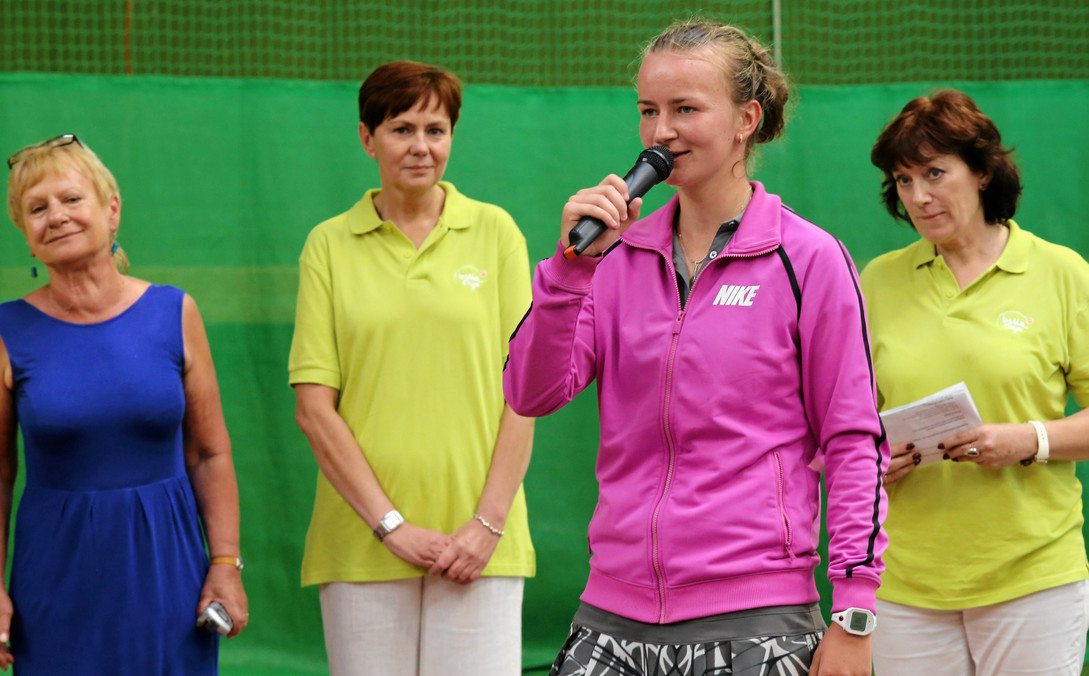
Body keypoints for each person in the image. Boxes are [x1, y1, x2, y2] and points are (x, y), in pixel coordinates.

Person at [504, 20, 888, 676]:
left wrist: (855, 611)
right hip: (611, 615)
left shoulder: (809, 259)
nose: (660, 133)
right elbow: (531, 392)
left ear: (746, 118)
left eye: (685, 109)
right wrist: (570, 271)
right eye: (648, 111)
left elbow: (853, 441)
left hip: (757, 619)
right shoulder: (613, 256)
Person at [860, 89, 1089, 676]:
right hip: (902, 579)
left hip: (1034, 576)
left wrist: (1029, 440)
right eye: (904, 180)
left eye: (935, 172)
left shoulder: (1065, 276)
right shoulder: (875, 283)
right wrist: (873, 459)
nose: (920, 196)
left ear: (983, 172)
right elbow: (849, 420)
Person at [288, 60, 536, 676]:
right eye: (402, 129)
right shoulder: (327, 244)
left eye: (436, 129)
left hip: (482, 547)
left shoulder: (497, 232)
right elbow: (315, 409)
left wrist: (486, 526)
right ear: (368, 138)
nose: (421, 147)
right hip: (361, 547)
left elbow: (524, 393)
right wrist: (392, 526)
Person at [0, 134, 247, 674]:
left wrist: (225, 564)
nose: (56, 217)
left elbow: (210, 453)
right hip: (55, 576)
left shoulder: (175, 311)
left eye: (70, 199)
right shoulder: (5, 330)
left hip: (170, 572)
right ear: (26, 235)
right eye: (37, 209)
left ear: (111, 210)